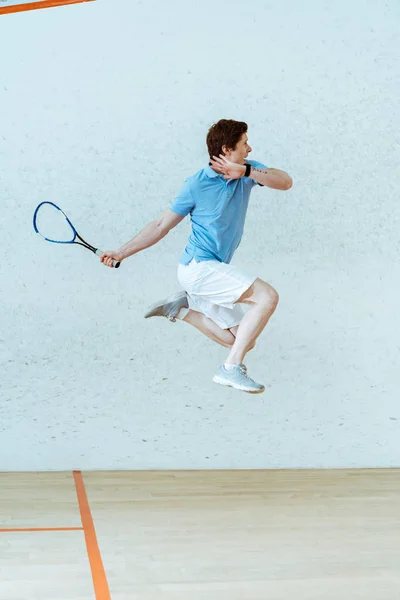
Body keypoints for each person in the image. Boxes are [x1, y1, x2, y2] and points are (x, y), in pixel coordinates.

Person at [101, 119, 292, 394]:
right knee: (267, 297)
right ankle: (230, 369)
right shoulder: (196, 185)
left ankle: (180, 309)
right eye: (244, 144)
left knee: (241, 340)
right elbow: (160, 226)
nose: (249, 148)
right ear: (227, 149)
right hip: (199, 268)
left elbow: (285, 182)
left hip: (210, 271)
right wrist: (120, 252)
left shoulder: (249, 172)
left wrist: (247, 171)